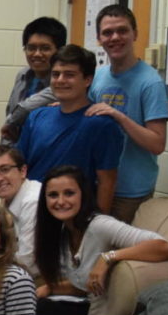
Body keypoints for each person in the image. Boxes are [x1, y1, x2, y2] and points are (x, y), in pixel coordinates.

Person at [34, 164, 168, 302]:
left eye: (69, 193)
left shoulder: (100, 225)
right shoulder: (62, 231)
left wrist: (107, 257)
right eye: (53, 195)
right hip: (80, 306)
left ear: (83, 195)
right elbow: (82, 286)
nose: (60, 201)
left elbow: (163, 247)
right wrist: (49, 288)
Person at [86, 5, 168, 223]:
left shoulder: (150, 82)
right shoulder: (98, 76)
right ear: (98, 38)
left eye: (122, 30)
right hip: (98, 184)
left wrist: (119, 117)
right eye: (107, 32)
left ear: (135, 34)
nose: (115, 37)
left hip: (131, 193)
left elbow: (157, 144)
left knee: (118, 254)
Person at [17, 44, 123, 213]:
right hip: (31, 210)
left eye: (69, 75)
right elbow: (19, 168)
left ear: (87, 80)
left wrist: (96, 225)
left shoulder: (102, 125)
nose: (60, 80)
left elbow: (107, 182)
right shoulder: (37, 117)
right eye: (56, 74)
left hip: (73, 215)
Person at [0, 17, 66, 140]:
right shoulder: (23, 76)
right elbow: (9, 121)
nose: (37, 54)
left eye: (45, 48)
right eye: (31, 48)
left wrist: (10, 122)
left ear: (59, 51)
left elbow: (17, 115)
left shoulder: (63, 82)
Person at [0, 144, 40, 276]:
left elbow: (26, 260)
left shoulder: (33, 200)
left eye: (4, 169)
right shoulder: (7, 199)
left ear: (23, 171)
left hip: (44, 280)